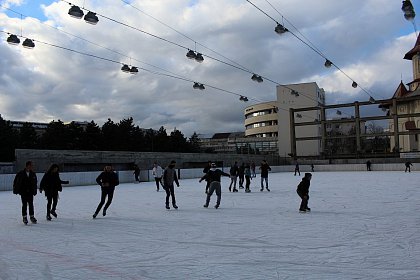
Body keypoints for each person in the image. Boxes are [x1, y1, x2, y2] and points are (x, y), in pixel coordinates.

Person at [13, 161, 38, 225]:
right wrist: (16, 189)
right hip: (23, 192)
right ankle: (24, 217)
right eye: (31, 165)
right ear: (27, 166)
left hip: (30, 192)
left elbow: (35, 183)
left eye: (32, 166)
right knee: (24, 204)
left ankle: (32, 216)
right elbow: (16, 181)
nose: (32, 167)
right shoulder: (21, 173)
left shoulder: (33, 173)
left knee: (31, 204)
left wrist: (35, 190)